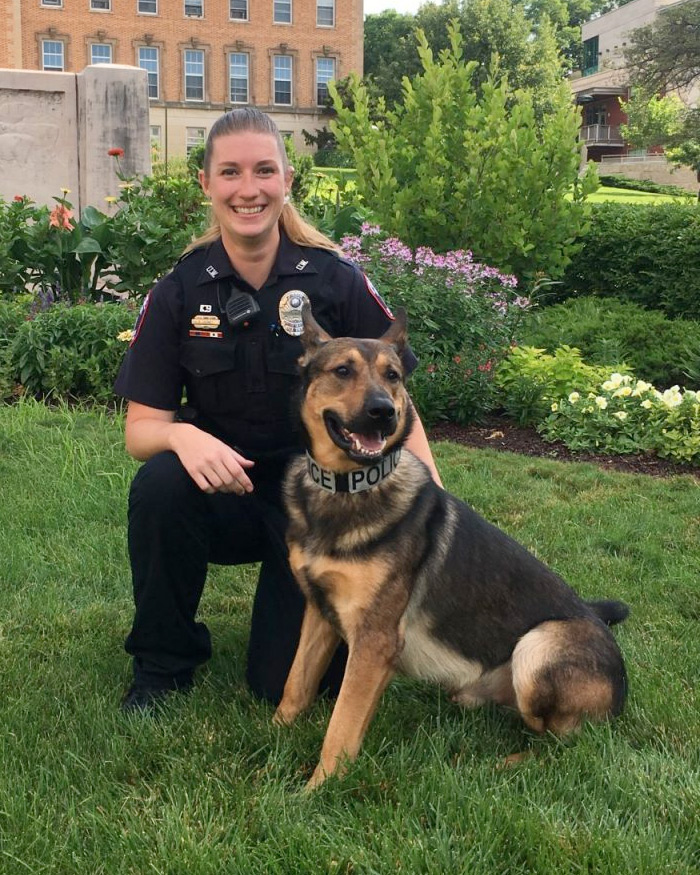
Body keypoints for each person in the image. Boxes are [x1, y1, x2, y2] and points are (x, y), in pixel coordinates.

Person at [114, 107, 441, 713]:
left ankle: (325, 617)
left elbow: (396, 394)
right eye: (230, 172)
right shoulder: (180, 290)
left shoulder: (336, 280)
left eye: (265, 170)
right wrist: (185, 439)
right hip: (227, 494)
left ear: (287, 181)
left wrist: (434, 498)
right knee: (159, 483)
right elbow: (141, 429)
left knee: (279, 686)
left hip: (323, 507)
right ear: (206, 184)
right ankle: (162, 665)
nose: (249, 189)